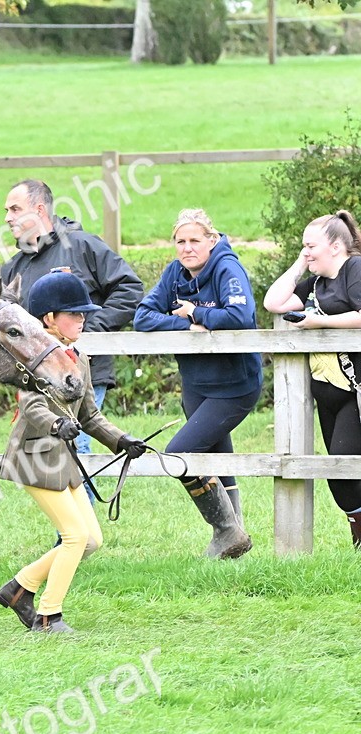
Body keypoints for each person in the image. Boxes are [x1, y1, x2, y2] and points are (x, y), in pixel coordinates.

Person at [0, 271, 146, 634]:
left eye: (83, 314)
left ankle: (19, 588)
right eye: (74, 313)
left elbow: (90, 414)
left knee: (91, 540)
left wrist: (120, 440)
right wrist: (55, 425)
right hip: (36, 456)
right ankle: (48, 616)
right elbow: (31, 405)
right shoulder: (35, 353)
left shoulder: (78, 357)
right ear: (49, 318)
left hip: (63, 460)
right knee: (75, 536)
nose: (82, 319)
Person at [0, 179, 143, 501]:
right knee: (53, 456)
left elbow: (129, 289)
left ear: (39, 210)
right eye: (6, 211)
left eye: (15, 209)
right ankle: (75, 538)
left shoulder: (82, 246)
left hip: (81, 374)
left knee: (74, 449)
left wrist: (87, 334)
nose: (7, 217)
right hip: (38, 380)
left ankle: (77, 539)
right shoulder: (14, 267)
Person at [133, 209, 261, 558]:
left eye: (194, 240)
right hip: (196, 384)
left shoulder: (226, 268)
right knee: (217, 458)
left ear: (212, 240)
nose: (187, 248)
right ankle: (236, 538)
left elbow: (240, 316)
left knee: (179, 454)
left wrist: (195, 311)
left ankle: (226, 531)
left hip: (234, 385)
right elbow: (143, 316)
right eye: (181, 241)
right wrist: (187, 328)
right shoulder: (175, 273)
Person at [263, 209, 361, 549]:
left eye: (311, 245)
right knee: (337, 476)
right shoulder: (316, 283)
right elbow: (273, 302)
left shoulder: (354, 269)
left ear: (335, 246)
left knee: (342, 461)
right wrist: (300, 264)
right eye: (303, 246)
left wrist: (320, 322)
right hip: (324, 390)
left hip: (353, 388)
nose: (306, 251)